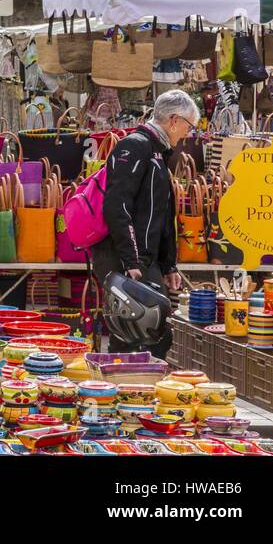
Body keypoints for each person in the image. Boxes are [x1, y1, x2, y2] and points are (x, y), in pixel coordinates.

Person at [91, 89, 192, 359]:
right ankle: (123, 382)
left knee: (151, 333)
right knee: (132, 332)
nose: (188, 133)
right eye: (189, 125)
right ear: (174, 120)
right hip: (124, 256)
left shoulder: (157, 152)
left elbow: (161, 214)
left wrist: (168, 264)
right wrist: (130, 260)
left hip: (142, 258)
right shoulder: (135, 146)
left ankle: (139, 381)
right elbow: (117, 205)